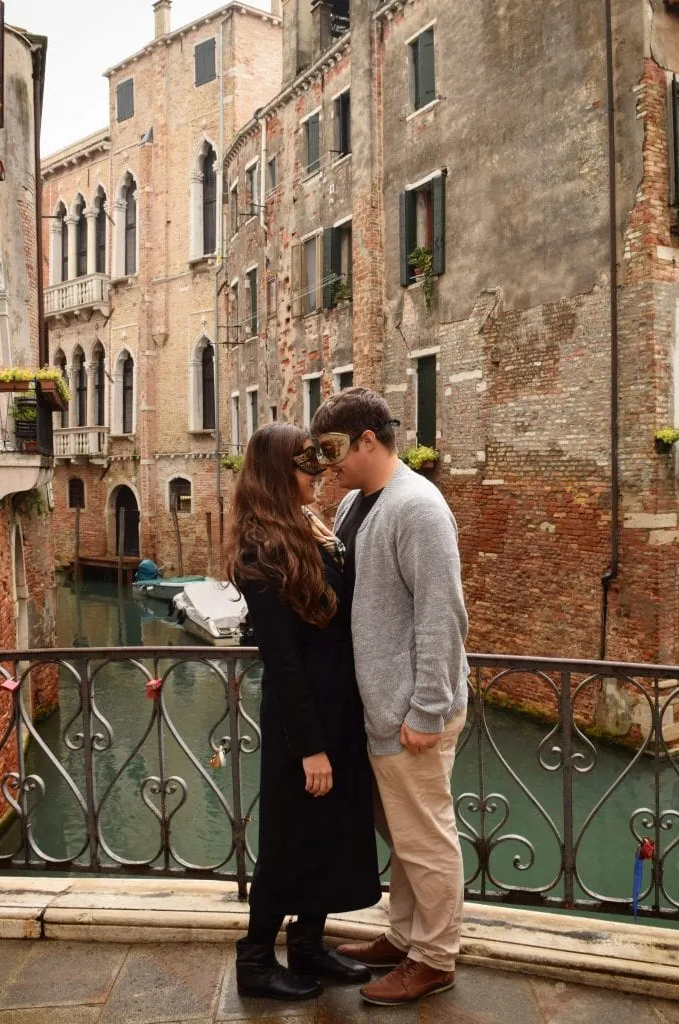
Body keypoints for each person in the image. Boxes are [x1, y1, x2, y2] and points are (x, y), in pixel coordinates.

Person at [311, 388, 470, 1007]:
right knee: (404, 835)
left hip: (412, 713)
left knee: (426, 839)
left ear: (367, 441)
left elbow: (442, 614)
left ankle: (434, 957)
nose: (328, 465)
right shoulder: (354, 502)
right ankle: (405, 935)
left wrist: (427, 711)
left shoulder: (418, 508)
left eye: (333, 451)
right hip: (380, 712)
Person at [226, 422, 380, 1001]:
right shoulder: (258, 547)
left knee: (326, 831)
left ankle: (309, 946)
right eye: (305, 464)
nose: (317, 472)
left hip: (338, 705)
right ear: (274, 471)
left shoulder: (308, 524)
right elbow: (282, 661)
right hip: (303, 715)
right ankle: (256, 961)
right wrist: (310, 746)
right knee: (289, 838)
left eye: (317, 462)